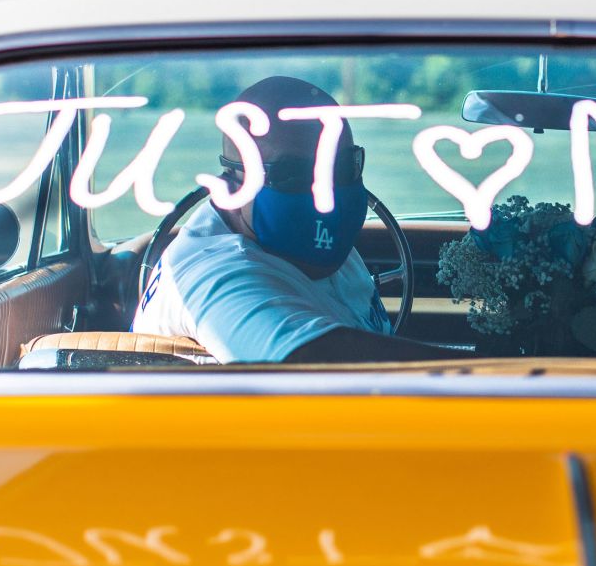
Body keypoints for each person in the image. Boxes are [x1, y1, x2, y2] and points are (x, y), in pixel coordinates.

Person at [133, 76, 458, 363]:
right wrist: (500, 374)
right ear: (231, 186)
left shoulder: (297, 240)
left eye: (342, 167)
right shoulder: (215, 277)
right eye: (293, 174)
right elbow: (312, 362)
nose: (325, 193)